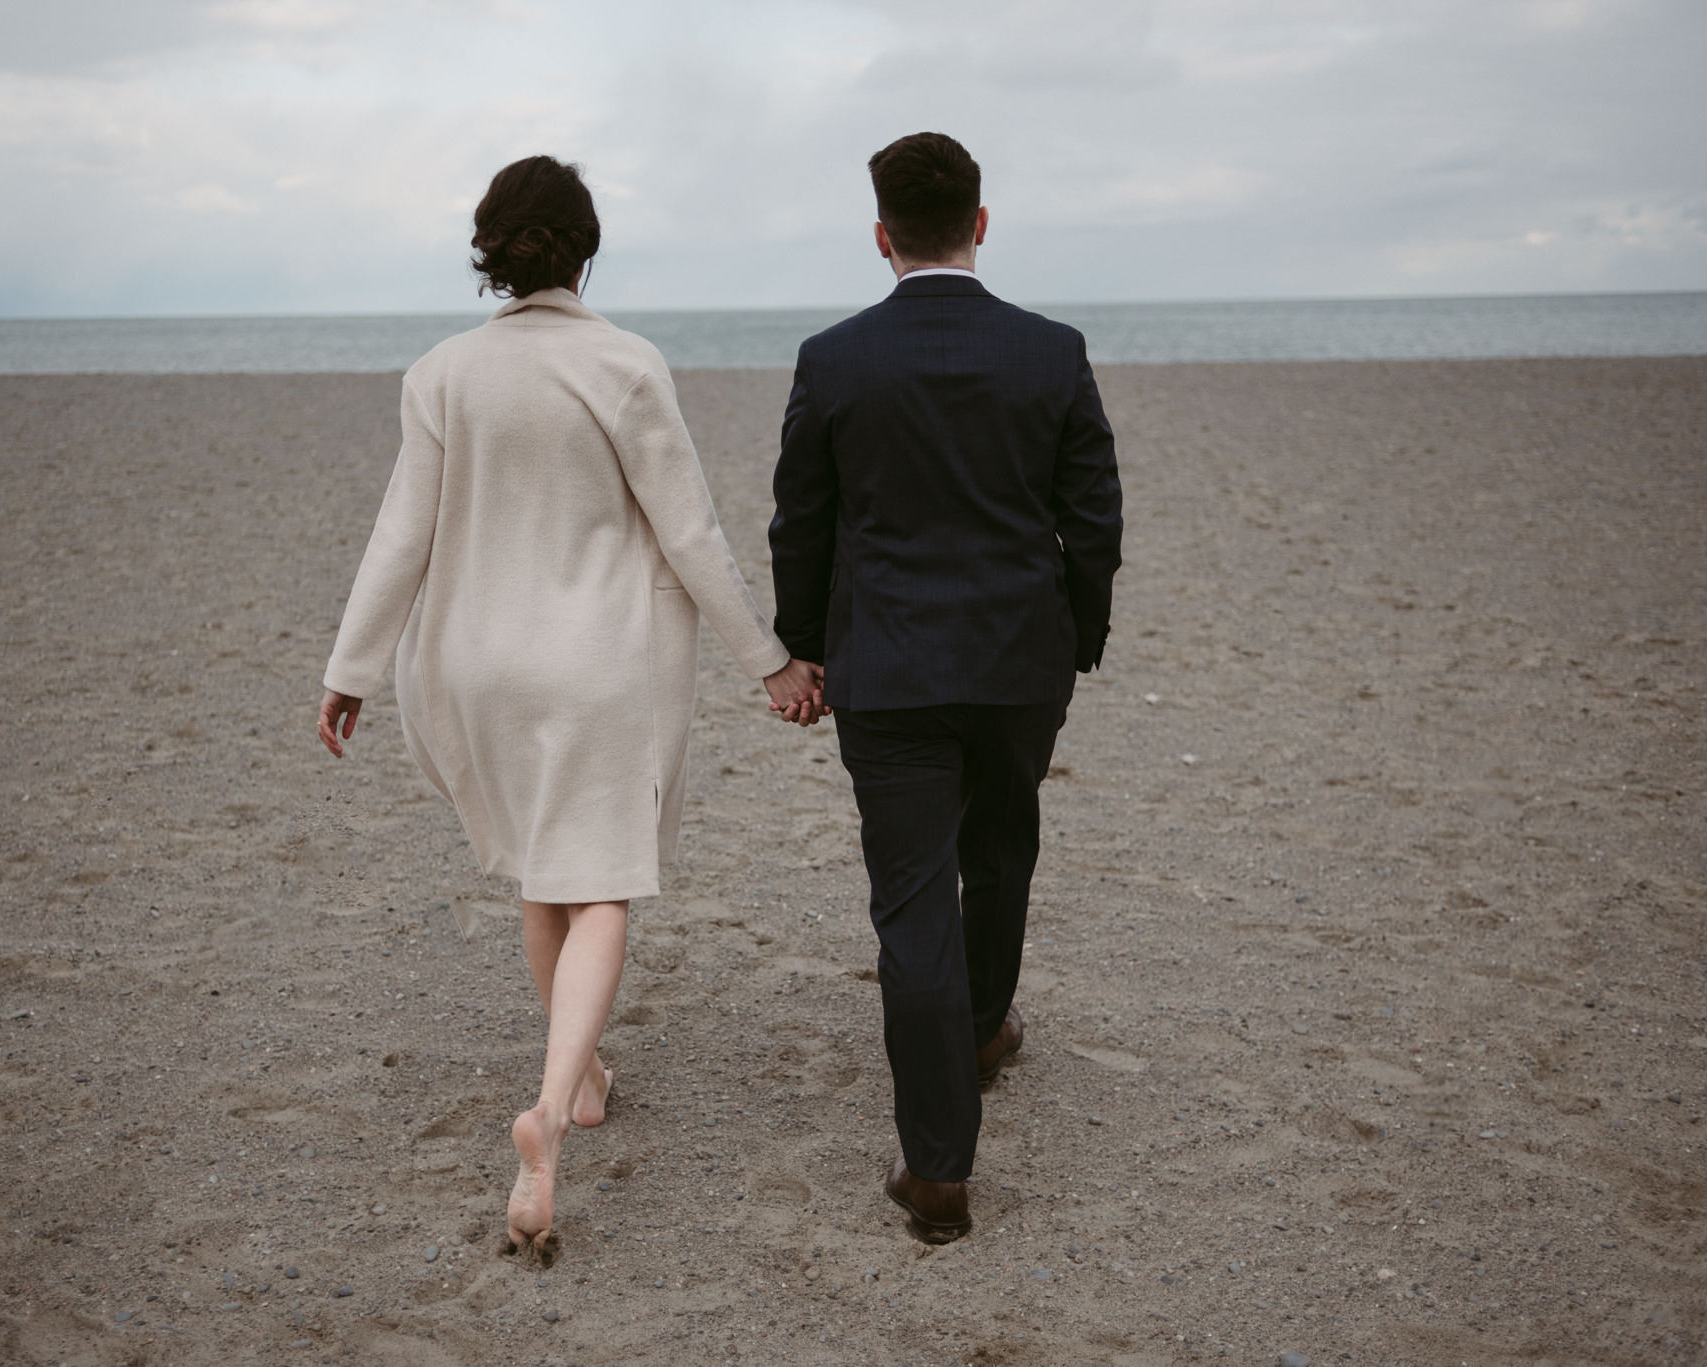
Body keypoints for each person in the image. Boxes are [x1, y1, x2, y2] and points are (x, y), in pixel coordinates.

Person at [317, 155, 824, 1257]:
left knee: (548, 874)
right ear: (584, 249)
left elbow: (400, 532)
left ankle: (585, 1075)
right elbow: (688, 532)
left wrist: (348, 667)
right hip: (596, 660)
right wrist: (768, 661)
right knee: (602, 883)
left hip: (473, 661)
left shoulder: (440, 372)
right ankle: (547, 1112)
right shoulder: (624, 364)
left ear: (489, 251)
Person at [768, 132, 1122, 1243]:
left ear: (881, 237)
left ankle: (936, 1165)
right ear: (980, 223)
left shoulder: (833, 359)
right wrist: (1079, 640)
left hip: (889, 666)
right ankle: (974, 1031)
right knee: (1002, 846)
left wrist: (802, 642)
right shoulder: (1049, 351)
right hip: (1018, 657)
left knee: (911, 895)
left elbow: (801, 521)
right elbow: (1094, 520)